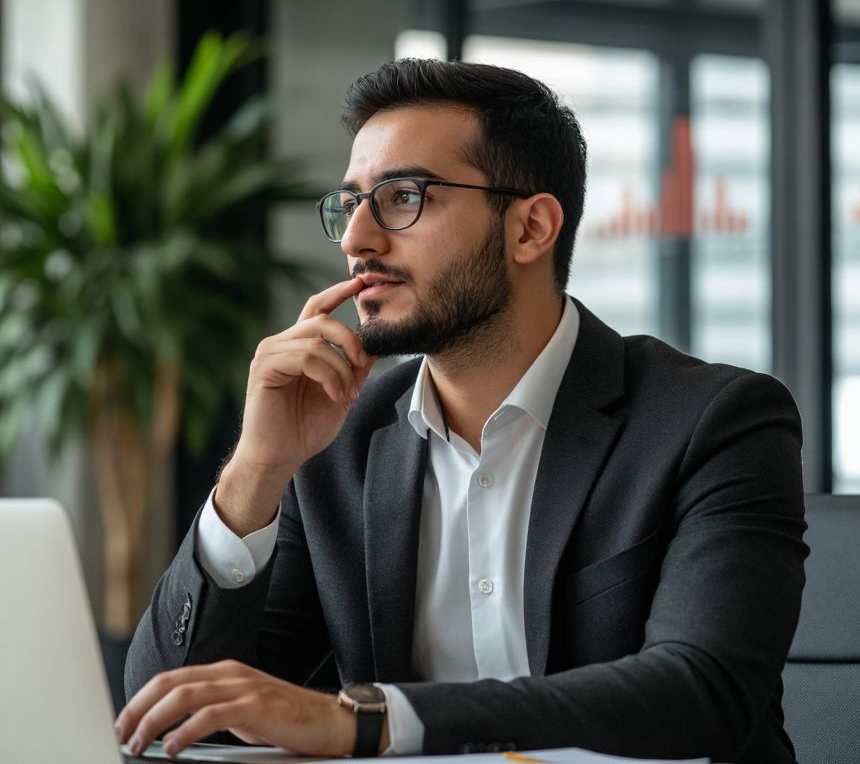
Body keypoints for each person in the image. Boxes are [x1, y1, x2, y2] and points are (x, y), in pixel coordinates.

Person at [117, 58, 808, 763]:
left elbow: (701, 692)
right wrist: (256, 471)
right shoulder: (336, 439)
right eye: (351, 202)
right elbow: (164, 713)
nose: (358, 239)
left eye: (403, 196)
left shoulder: (713, 421)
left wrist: (372, 720)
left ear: (531, 228)